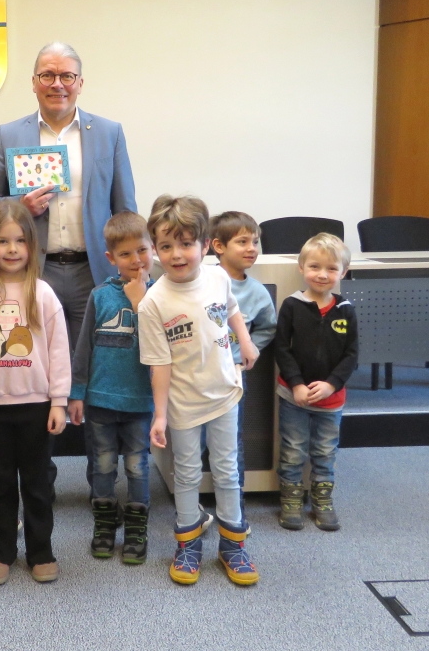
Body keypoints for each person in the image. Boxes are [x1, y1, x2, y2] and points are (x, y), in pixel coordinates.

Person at [0, 41, 136, 488]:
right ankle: (38, 481)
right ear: (33, 82)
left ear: (80, 83)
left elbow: (125, 208)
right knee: (34, 369)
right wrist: (19, 207)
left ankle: (99, 484)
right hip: (33, 275)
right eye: (48, 75)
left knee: (94, 371)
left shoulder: (109, 132)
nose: (57, 84)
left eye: (66, 76)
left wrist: (130, 270)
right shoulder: (10, 134)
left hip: (94, 273)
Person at [138, 195, 260, 586]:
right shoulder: (153, 302)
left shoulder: (219, 277)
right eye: (166, 246)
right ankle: (188, 544)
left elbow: (232, 309)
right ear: (155, 249)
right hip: (183, 403)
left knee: (227, 470)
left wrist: (246, 342)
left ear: (205, 245)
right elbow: (159, 364)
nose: (177, 254)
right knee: (187, 474)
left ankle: (233, 545)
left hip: (224, 393)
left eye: (186, 244)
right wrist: (160, 415)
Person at [0, 201, 70, 586]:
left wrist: (59, 401)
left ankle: (41, 551)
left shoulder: (43, 293)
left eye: (20, 240)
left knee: (38, 485)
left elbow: (59, 352)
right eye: (3, 241)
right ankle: (1, 552)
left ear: (32, 245)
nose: (11, 249)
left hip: (38, 406)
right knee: (1, 484)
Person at [68, 211, 154, 563]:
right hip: (100, 400)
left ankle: (136, 527)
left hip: (141, 401)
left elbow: (163, 346)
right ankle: (104, 524)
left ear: (153, 249)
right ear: (111, 258)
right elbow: (84, 347)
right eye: (125, 254)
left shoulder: (161, 295)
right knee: (102, 465)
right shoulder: (100, 295)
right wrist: (77, 393)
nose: (136, 260)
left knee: (137, 466)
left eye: (142, 250)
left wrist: (141, 301)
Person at [273, 232, 358, 532]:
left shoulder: (346, 309)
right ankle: (291, 499)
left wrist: (332, 384)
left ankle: (322, 500)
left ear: (343, 272)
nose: (322, 274)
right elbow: (281, 348)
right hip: (293, 396)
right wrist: (296, 383)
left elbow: (351, 355)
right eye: (314, 267)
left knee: (324, 451)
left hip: (331, 400)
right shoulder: (291, 305)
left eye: (331, 268)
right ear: (301, 268)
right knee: (293, 449)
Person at [209, 211, 277, 522]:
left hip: (233, 376)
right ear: (218, 246)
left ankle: (235, 510)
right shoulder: (203, 282)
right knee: (195, 441)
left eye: (255, 242)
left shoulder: (257, 292)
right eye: (243, 242)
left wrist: (246, 352)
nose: (252, 248)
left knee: (231, 443)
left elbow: (268, 327)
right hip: (196, 374)